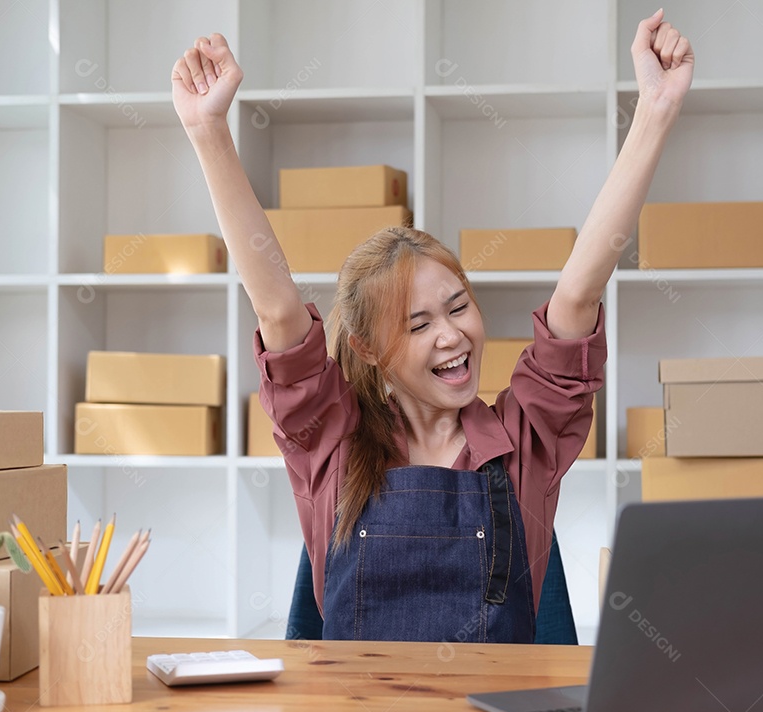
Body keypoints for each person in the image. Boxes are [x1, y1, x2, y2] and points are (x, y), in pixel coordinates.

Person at [171, 10, 693, 642]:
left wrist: (655, 110)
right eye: (417, 324)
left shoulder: (522, 441)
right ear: (368, 350)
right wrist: (208, 132)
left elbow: (579, 292)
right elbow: (279, 311)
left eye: (457, 306)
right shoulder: (329, 444)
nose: (451, 334)